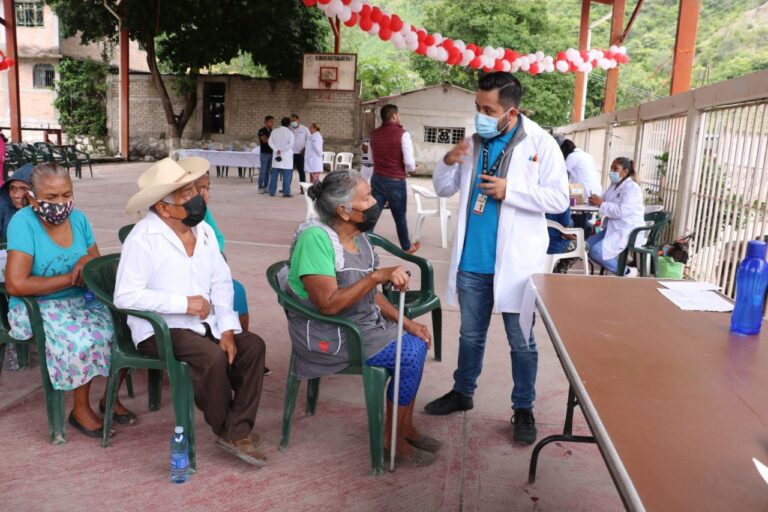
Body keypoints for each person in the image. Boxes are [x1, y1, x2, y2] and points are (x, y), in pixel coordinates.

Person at [424, 72, 569, 446]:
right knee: (470, 335)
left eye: (488, 110)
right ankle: (462, 392)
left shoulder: (541, 144)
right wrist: (448, 159)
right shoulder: (473, 141)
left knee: (521, 341)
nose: (480, 116)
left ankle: (523, 407)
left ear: (511, 112)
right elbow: (442, 188)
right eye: (477, 108)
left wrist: (513, 190)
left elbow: (559, 200)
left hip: (516, 265)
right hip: (472, 260)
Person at [115, 157, 267, 466]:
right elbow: (125, 296)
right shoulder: (143, 239)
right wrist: (183, 303)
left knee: (252, 347)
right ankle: (233, 431)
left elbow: (222, 282)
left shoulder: (204, 233)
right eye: (186, 193)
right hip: (160, 329)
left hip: (204, 324)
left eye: (196, 189)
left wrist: (226, 329)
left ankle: (235, 430)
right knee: (211, 359)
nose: (197, 197)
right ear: (163, 207)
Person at [286, 170, 438, 465]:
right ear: (344, 210)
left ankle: (402, 428)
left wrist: (408, 323)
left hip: (361, 324)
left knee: (416, 342)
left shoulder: (360, 237)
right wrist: (376, 277)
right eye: (366, 197)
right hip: (331, 333)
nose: (375, 202)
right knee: (409, 353)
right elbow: (328, 305)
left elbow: (370, 295)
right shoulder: (316, 239)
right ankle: (390, 439)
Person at [5, 162, 136, 438]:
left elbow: (96, 263)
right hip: (37, 303)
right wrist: (69, 278)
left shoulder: (79, 220)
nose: (60, 203)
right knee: (84, 339)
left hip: (80, 299)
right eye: (51, 198)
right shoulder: (23, 224)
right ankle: (80, 409)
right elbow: (17, 284)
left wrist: (88, 261)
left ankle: (109, 398)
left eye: (66, 195)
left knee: (129, 329)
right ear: (32, 196)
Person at [194, 173, 271, 376]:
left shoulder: (203, 212)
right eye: (198, 188)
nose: (204, 194)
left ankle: (239, 352)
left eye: (207, 188)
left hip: (209, 269)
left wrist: (212, 255)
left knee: (236, 290)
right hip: (189, 280)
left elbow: (217, 238)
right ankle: (217, 353)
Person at [369, 104, 420, 254]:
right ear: (393, 116)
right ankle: (406, 247)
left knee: (372, 214)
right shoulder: (403, 134)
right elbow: (409, 163)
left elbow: (371, 159)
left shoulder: (374, 134)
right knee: (399, 216)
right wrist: (413, 169)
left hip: (377, 179)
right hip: (395, 182)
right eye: (398, 115)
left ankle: (363, 243)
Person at [586, 157, 645, 276]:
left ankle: (627, 272)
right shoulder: (614, 185)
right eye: (611, 168)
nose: (612, 171)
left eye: (615, 168)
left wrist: (601, 204)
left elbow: (621, 211)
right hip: (613, 227)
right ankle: (613, 268)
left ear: (625, 171)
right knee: (586, 246)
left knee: (596, 252)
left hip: (627, 229)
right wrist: (595, 199)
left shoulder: (632, 188)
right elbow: (605, 198)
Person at [0, 163, 33, 239]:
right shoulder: (2, 205)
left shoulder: (47, 211)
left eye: (24, 189)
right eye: (12, 189)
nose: (16, 195)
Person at [268, 117, 295, 198]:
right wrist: (282, 150)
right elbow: (290, 144)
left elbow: (270, 142)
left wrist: (277, 150)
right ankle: (286, 193)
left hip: (277, 156)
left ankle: (272, 192)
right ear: (288, 124)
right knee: (286, 176)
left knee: (274, 175)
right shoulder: (290, 133)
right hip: (286, 157)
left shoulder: (274, 131)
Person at [291, 114, 311, 192]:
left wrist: (305, 149)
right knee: (288, 172)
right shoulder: (289, 129)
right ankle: (286, 188)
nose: (293, 122)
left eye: (294, 120)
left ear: (298, 120)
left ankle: (302, 188)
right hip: (291, 154)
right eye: (292, 121)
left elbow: (309, 140)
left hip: (300, 154)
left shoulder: (304, 129)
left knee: (301, 172)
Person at [257, 116, 274, 194]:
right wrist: (273, 141)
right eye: (271, 121)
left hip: (271, 153)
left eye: (272, 122)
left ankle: (266, 186)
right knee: (263, 171)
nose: (272, 123)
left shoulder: (272, 131)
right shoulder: (261, 131)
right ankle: (260, 186)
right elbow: (265, 140)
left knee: (268, 171)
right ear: (266, 122)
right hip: (264, 153)